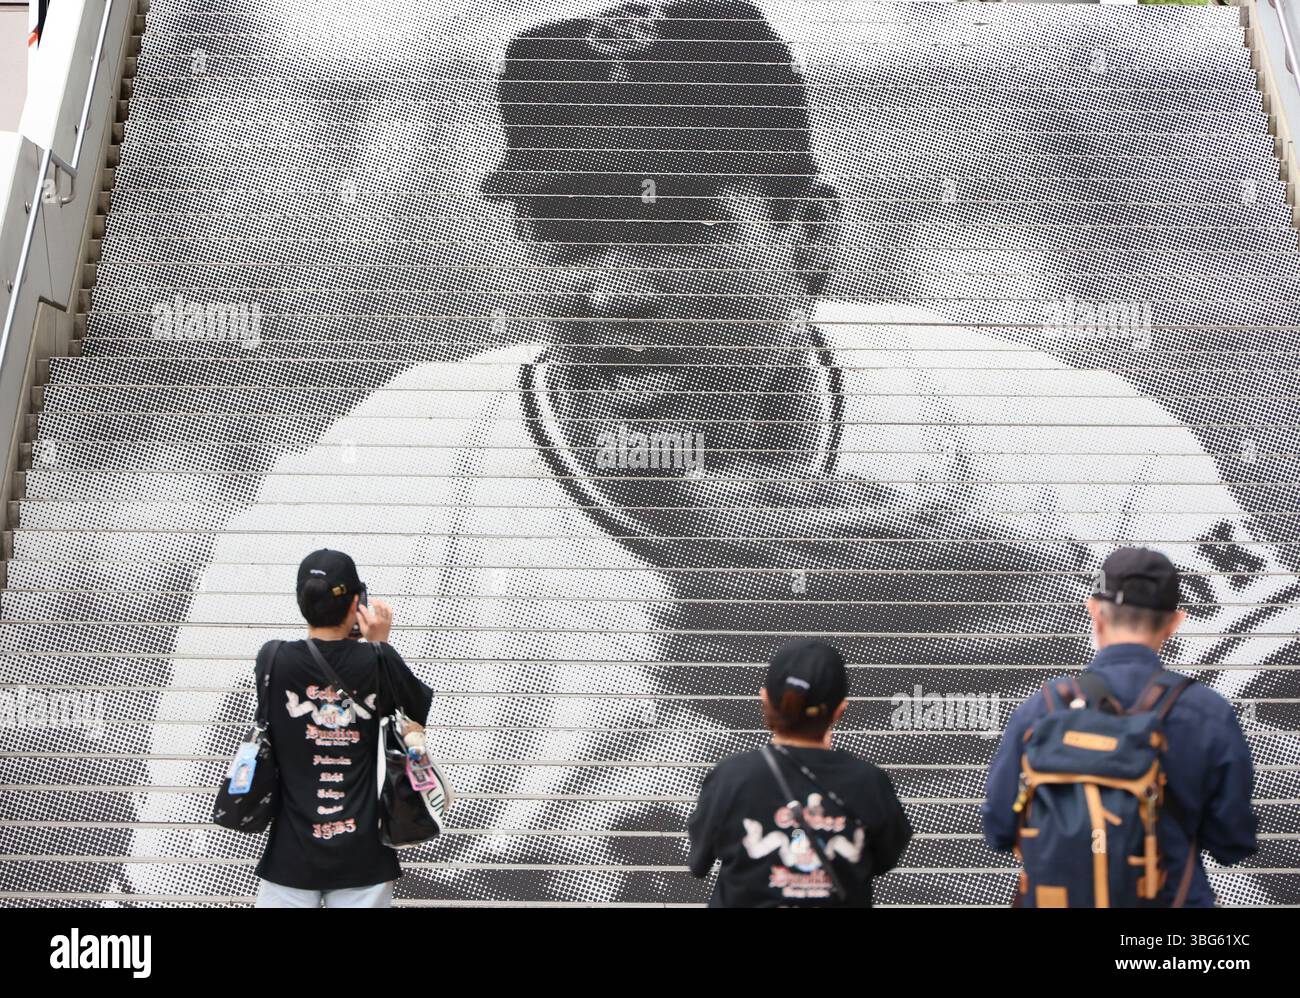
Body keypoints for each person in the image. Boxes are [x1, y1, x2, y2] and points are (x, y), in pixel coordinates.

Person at [126, 0, 1300, 906]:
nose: (617, 290)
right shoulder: (345, 536)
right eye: (569, 230)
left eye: (676, 222)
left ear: (809, 233)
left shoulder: (1066, 452)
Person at [981, 547, 1258, 907]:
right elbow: (1231, 841)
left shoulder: (1042, 709)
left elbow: (999, 828)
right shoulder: (1207, 713)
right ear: (1174, 623)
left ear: (1094, 611)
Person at [252, 549, 433, 908]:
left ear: (302, 600)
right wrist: (378, 645)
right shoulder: (378, 660)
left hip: (290, 855)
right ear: (355, 603)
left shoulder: (272, 658)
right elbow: (416, 711)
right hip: (363, 856)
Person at [687, 639, 911, 907]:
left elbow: (699, 863)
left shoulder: (730, 778)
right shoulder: (869, 783)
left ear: (765, 700)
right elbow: (885, 859)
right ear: (839, 711)